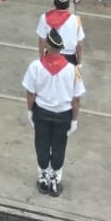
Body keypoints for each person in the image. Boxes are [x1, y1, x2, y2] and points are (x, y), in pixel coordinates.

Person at [23, 27, 86, 197]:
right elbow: (76, 99)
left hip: (42, 112)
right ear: (61, 48)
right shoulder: (73, 70)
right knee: (59, 147)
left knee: (42, 144)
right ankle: (55, 181)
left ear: (47, 46)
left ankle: (43, 179)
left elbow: (30, 93)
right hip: (63, 114)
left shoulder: (35, 66)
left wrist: (30, 111)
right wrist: (74, 120)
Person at [36, 0, 84, 64]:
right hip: (70, 59)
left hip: (50, 56)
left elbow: (42, 41)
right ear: (68, 5)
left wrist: (41, 58)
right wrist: (78, 62)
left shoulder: (45, 17)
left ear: (54, 3)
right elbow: (80, 45)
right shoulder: (76, 20)